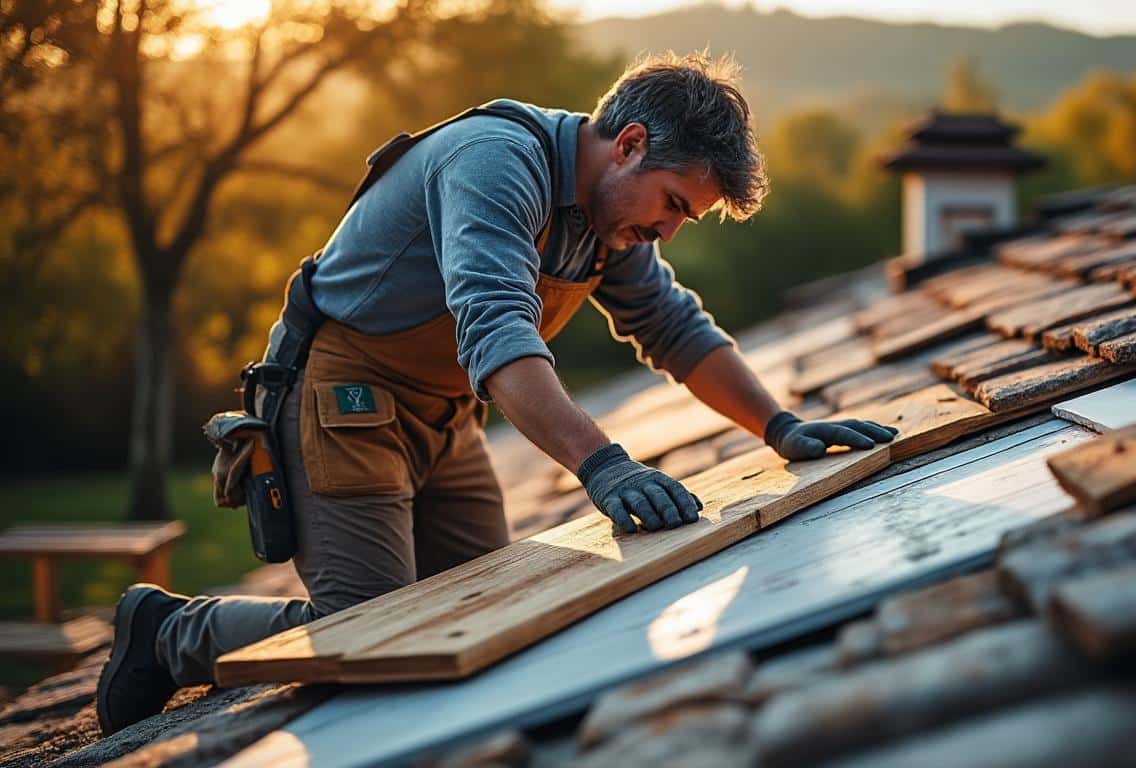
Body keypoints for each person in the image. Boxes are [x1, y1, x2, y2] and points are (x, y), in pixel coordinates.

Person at [96, 52, 895, 734]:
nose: (669, 232)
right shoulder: (495, 162)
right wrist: (605, 468)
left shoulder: (609, 215)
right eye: (675, 206)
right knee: (368, 639)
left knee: (493, 618)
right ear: (629, 144)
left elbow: (673, 328)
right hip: (341, 400)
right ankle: (170, 631)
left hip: (447, 416)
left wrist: (780, 425)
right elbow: (499, 334)